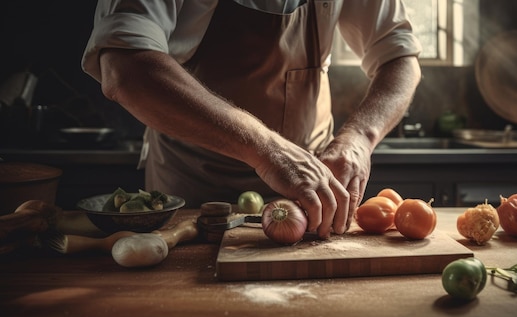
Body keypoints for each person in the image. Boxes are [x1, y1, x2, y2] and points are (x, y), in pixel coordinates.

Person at [82, 0, 422, 239]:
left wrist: (359, 138)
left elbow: (400, 57)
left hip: (313, 195)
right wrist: (269, 151)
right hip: (196, 193)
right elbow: (125, 68)